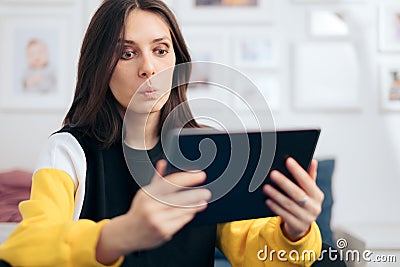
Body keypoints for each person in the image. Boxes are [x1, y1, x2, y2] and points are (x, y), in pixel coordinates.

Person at [0, 0, 331, 266]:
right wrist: (118, 236)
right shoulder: (68, 151)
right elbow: (23, 249)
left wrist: (295, 230)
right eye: (127, 53)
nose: (149, 68)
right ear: (99, 66)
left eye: (160, 50)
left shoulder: (208, 150)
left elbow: (255, 251)